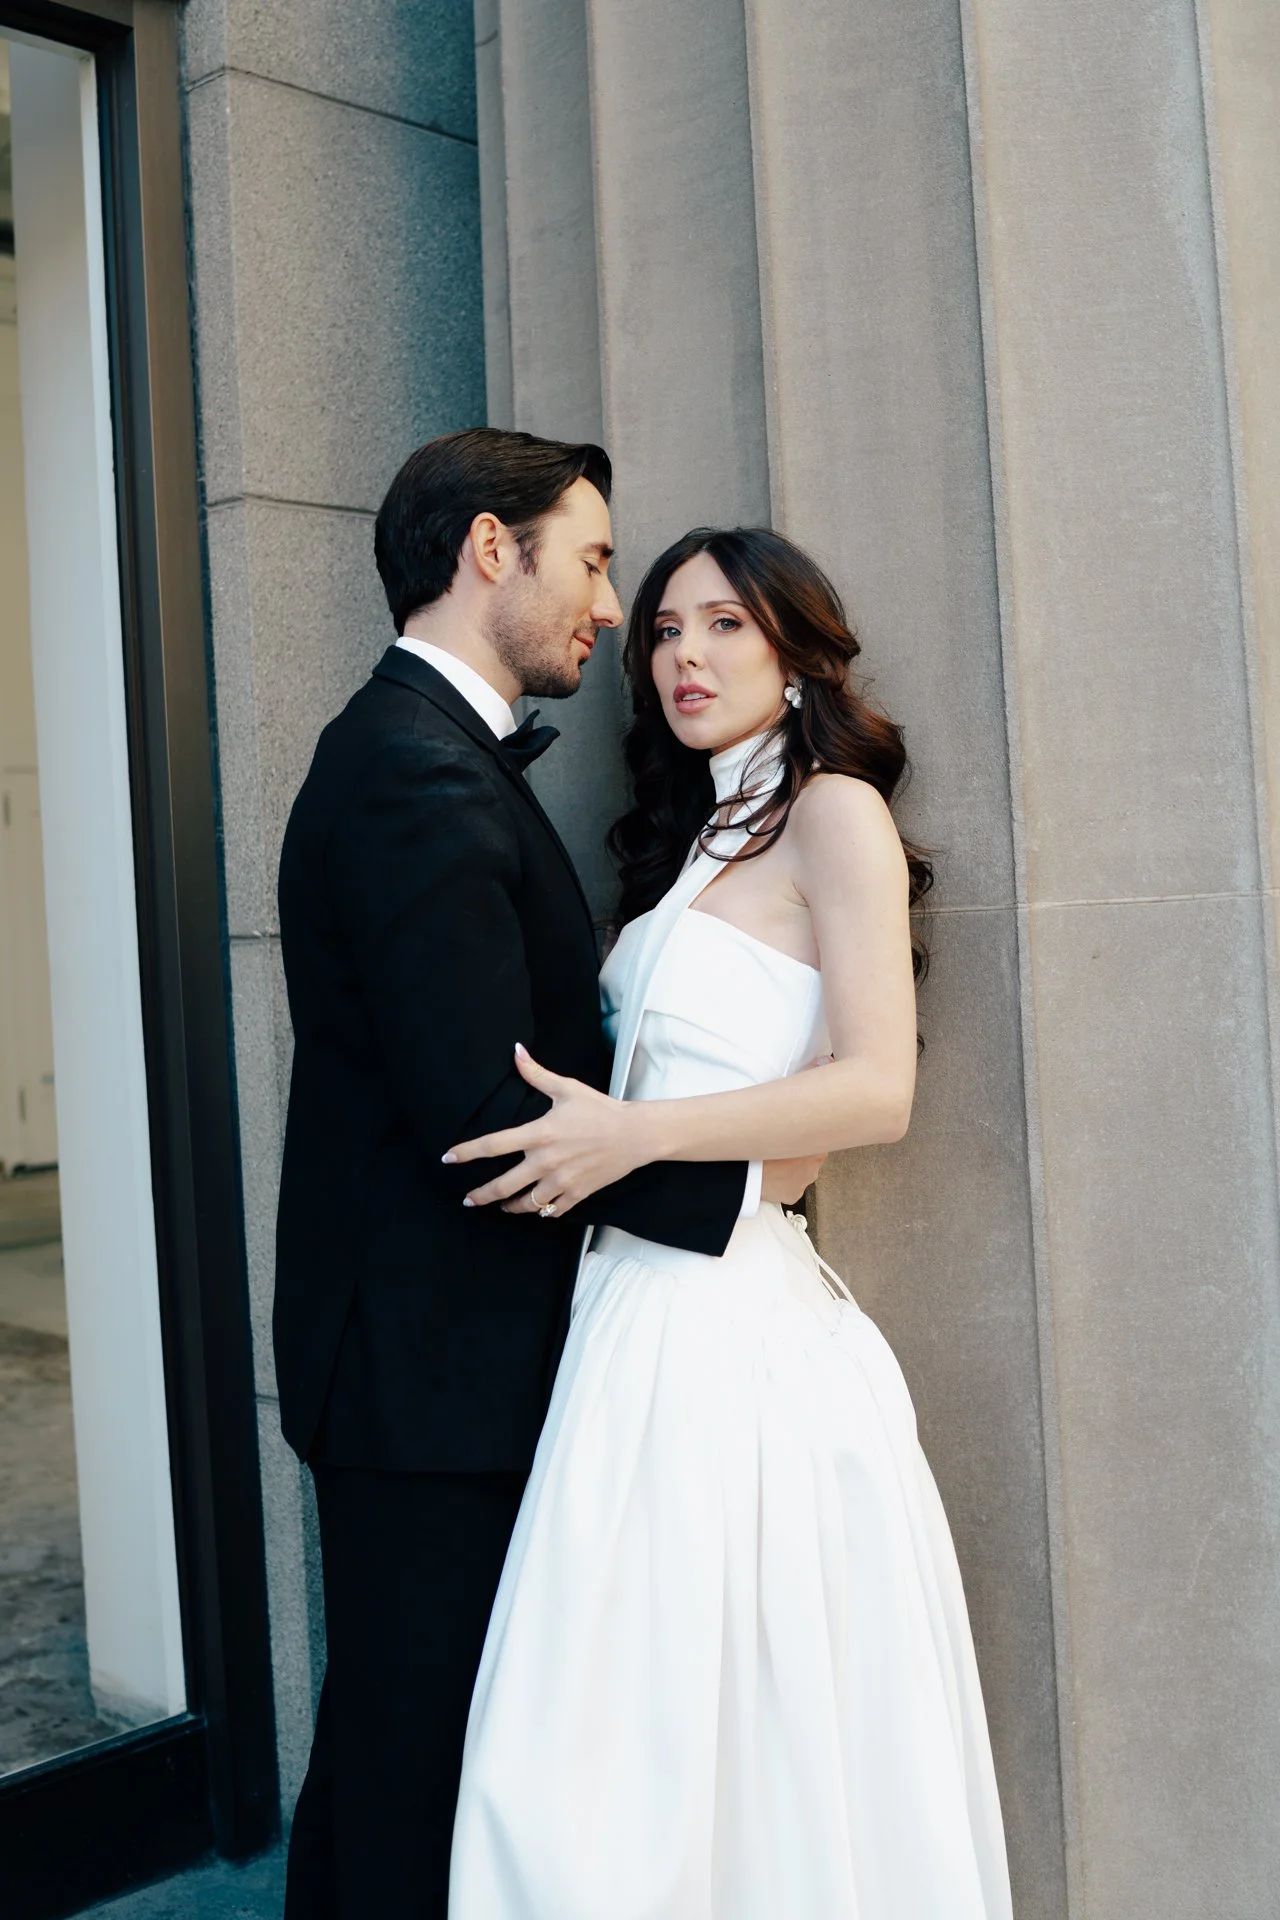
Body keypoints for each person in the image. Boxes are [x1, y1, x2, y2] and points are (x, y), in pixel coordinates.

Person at [274, 433, 820, 1919]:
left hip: (462, 1359)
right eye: (592, 565)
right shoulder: (406, 768)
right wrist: (739, 1192)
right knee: (417, 1760)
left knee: (416, 1748)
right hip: (427, 1372)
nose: (608, 609)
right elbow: (485, 1115)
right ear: (491, 552)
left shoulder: (429, 752)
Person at [446, 526, 1014, 1918]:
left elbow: (873, 1090)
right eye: (663, 631)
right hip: (625, 1313)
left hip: (731, 1330)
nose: (685, 657)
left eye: (727, 629)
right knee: (602, 1747)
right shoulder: (692, 840)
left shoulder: (835, 814)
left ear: (796, 651)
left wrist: (626, 1134)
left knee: (740, 1745)